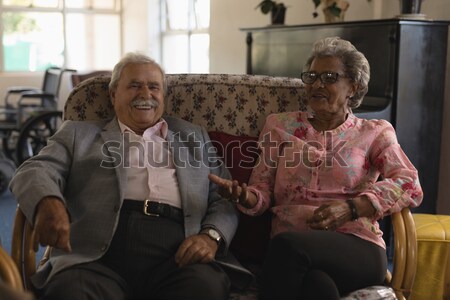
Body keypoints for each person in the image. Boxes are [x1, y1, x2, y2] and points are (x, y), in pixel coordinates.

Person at [9, 52, 247, 300]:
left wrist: (211, 237)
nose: (145, 94)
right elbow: (34, 169)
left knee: (204, 288)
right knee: (71, 292)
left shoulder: (194, 137)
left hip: (178, 255)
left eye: (154, 87)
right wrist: (48, 201)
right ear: (113, 95)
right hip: (97, 257)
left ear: (163, 96)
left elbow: (225, 197)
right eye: (134, 85)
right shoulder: (79, 133)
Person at [209, 36, 423, 300]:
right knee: (316, 286)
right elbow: (261, 193)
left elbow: (409, 183)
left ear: (353, 87)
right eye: (311, 77)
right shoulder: (280, 126)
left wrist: (351, 208)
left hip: (356, 246)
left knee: (287, 248)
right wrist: (244, 196)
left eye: (330, 77)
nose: (317, 84)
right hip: (294, 252)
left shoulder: (374, 132)